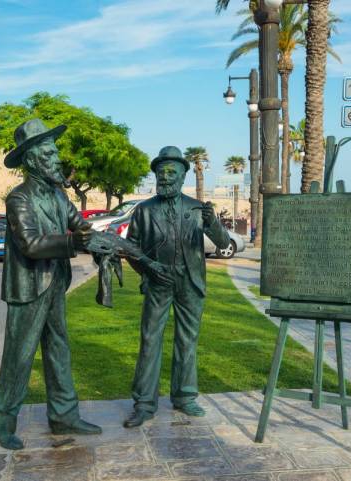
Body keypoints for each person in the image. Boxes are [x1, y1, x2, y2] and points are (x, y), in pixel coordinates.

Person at [0, 119, 103, 450]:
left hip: (54, 282)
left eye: (55, 151)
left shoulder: (57, 195)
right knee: (19, 354)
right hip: (28, 286)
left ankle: (64, 416)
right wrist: (75, 244)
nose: (57, 158)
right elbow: (30, 244)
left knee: (58, 349)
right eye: (50, 153)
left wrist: (96, 239)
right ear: (32, 160)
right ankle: (4, 421)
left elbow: (79, 225)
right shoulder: (19, 199)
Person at [122, 146, 231, 428]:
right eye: (161, 172)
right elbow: (130, 247)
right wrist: (147, 269)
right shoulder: (144, 210)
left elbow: (222, 243)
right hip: (159, 282)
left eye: (172, 172)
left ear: (183, 177)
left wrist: (213, 223)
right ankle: (144, 403)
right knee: (150, 340)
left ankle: (184, 396)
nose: (166, 177)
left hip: (190, 282)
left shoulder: (197, 208)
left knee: (187, 341)